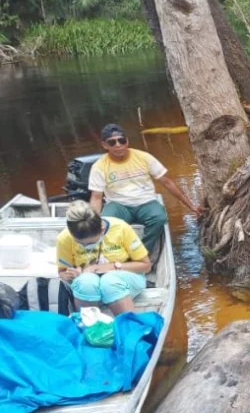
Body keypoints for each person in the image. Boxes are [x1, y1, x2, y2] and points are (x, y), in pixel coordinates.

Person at [89, 123, 201, 254]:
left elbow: (167, 182)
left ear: (127, 141)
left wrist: (191, 206)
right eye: (112, 142)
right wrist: (95, 222)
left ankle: (142, 253)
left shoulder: (144, 157)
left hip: (146, 202)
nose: (118, 145)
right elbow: (96, 197)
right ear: (105, 145)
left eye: (121, 140)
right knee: (106, 223)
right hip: (118, 204)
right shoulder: (99, 166)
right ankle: (116, 254)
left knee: (159, 218)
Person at [57, 201, 152, 315]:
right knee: (86, 282)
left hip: (125, 279)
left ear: (102, 230)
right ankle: (92, 329)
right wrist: (70, 274)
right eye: (81, 243)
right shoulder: (64, 238)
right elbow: (62, 271)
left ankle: (129, 328)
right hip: (89, 286)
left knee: (109, 282)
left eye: (92, 242)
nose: (86, 247)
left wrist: (110, 267)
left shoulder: (121, 228)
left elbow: (146, 266)